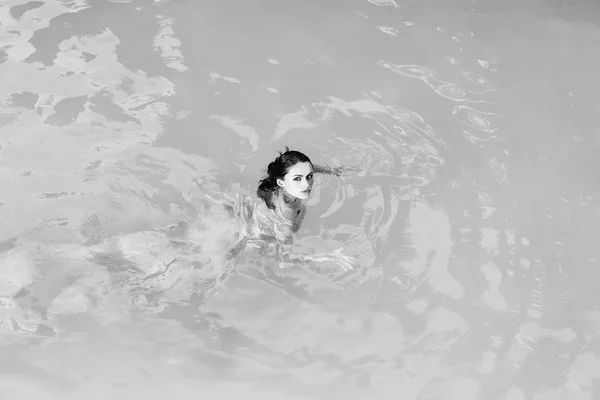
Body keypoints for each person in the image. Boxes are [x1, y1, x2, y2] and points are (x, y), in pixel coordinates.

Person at [219, 147, 358, 273]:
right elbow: (283, 261)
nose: (307, 184)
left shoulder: (281, 182)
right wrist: (328, 257)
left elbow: (304, 169)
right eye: (298, 179)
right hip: (258, 241)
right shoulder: (287, 216)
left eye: (309, 176)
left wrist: (332, 171)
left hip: (258, 218)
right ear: (281, 182)